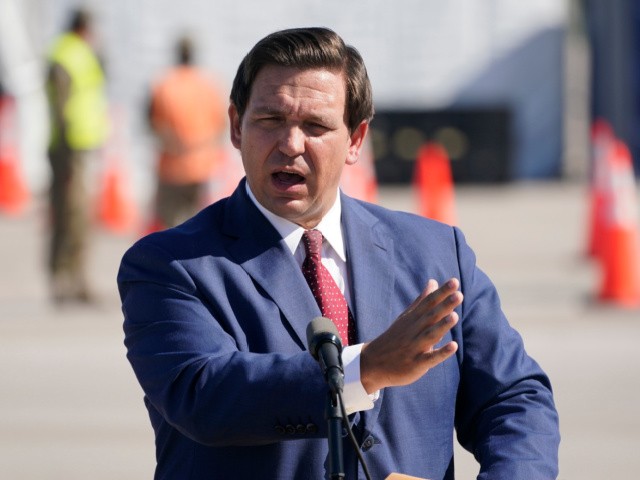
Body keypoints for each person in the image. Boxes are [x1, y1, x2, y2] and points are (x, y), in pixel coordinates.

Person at [118, 27, 559, 480]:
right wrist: (364, 370)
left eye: (316, 126)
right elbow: (204, 394)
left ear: (356, 139)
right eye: (270, 120)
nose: (290, 144)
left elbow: (514, 399)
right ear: (236, 125)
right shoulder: (169, 265)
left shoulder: (437, 253)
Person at [45, 8, 109, 304]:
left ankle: (76, 279)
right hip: (70, 150)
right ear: (84, 28)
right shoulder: (67, 55)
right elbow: (60, 107)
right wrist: (67, 154)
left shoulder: (78, 53)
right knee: (70, 215)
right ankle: (64, 280)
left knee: (79, 217)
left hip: (82, 146)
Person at [147, 35, 227, 229]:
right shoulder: (208, 86)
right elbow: (222, 125)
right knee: (195, 222)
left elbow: (153, 123)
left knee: (167, 224)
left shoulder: (164, 84)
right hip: (200, 166)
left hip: (171, 166)